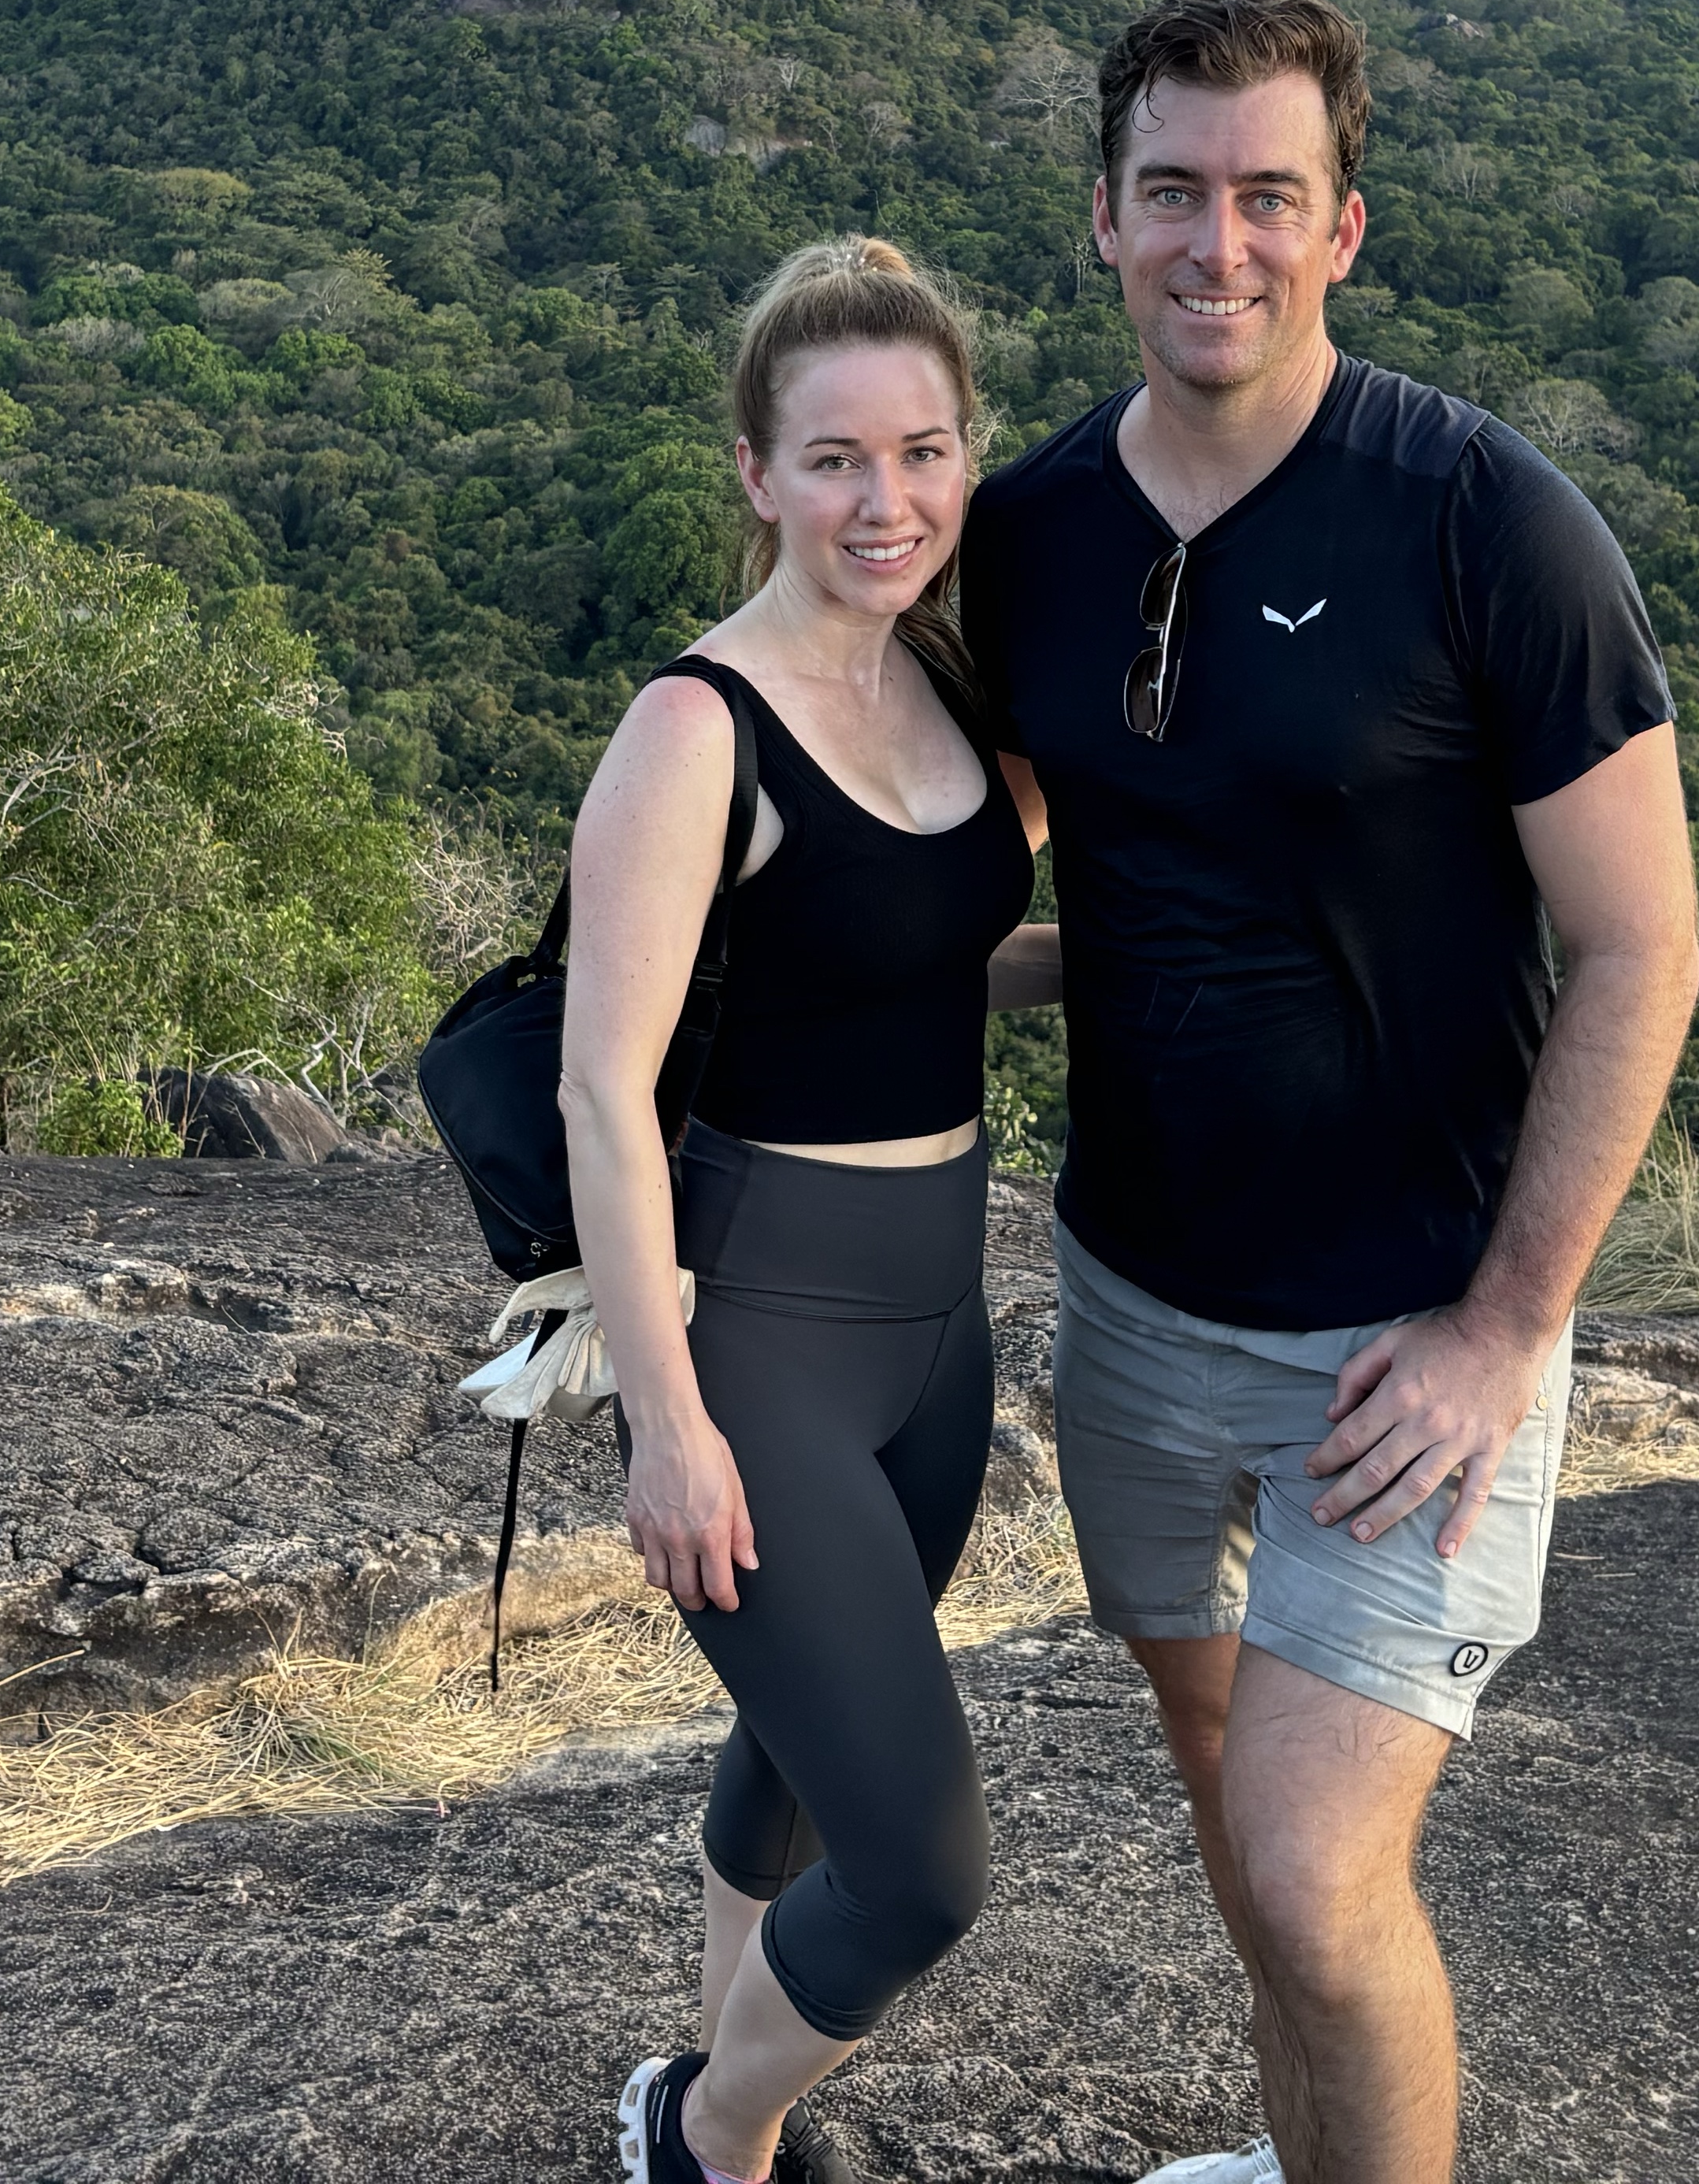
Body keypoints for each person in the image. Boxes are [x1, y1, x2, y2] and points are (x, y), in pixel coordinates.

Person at [963, 0, 1699, 2184]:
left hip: (1405, 1335)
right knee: (1226, 1793)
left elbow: (1643, 942)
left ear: (1345, 225)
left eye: (1268, 196)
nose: (1220, 243)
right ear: (1103, 218)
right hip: (1133, 1302)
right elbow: (1015, 885)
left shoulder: (1483, 520)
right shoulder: (1031, 537)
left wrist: (1505, 1329)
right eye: (1174, 192)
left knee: (1308, 1867)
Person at [561, 236, 1060, 2184]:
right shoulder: (697, 731)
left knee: (795, 1753)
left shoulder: (946, 703)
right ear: (758, 472)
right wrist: (668, 1421)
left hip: (937, 1330)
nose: (888, 500)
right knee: (922, 1864)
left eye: (925, 454)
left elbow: (920, 960)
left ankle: (730, 2117)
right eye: (836, 458)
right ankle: (699, 2123)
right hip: (760, 1332)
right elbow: (608, 1089)